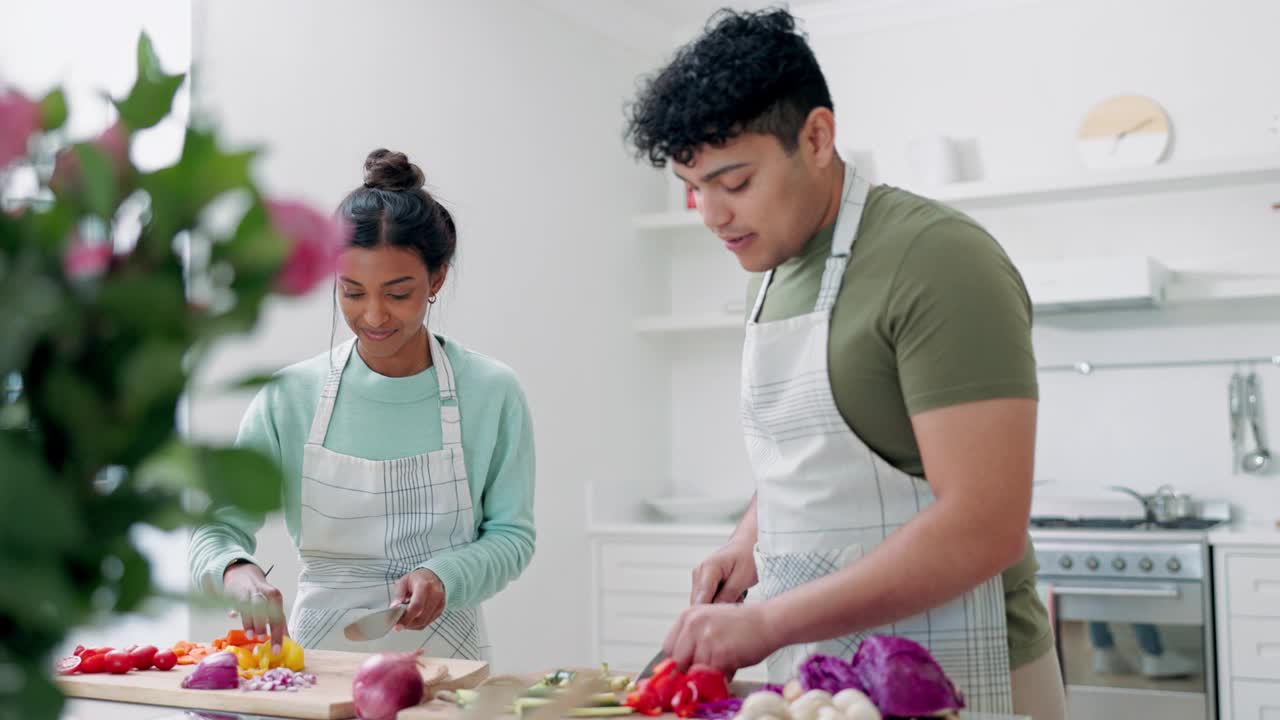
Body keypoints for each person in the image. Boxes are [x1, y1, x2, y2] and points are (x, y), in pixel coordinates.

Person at [623, 9, 1065, 718]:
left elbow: (984, 524)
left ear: (818, 137)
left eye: (734, 183)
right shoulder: (769, 271)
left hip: (964, 669)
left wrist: (768, 622)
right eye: (693, 186)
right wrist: (747, 542)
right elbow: (822, 460)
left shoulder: (936, 260)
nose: (710, 214)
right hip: (824, 675)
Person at [189, 149, 536, 660]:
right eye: (352, 292)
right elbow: (216, 525)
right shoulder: (289, 397)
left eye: (398, 294)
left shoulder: (490, 391)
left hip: (447, 672)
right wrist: (237, 572)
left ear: (436, 279)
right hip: (317, 668)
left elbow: (512, 535)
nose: (373, 315)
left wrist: (446, 576)